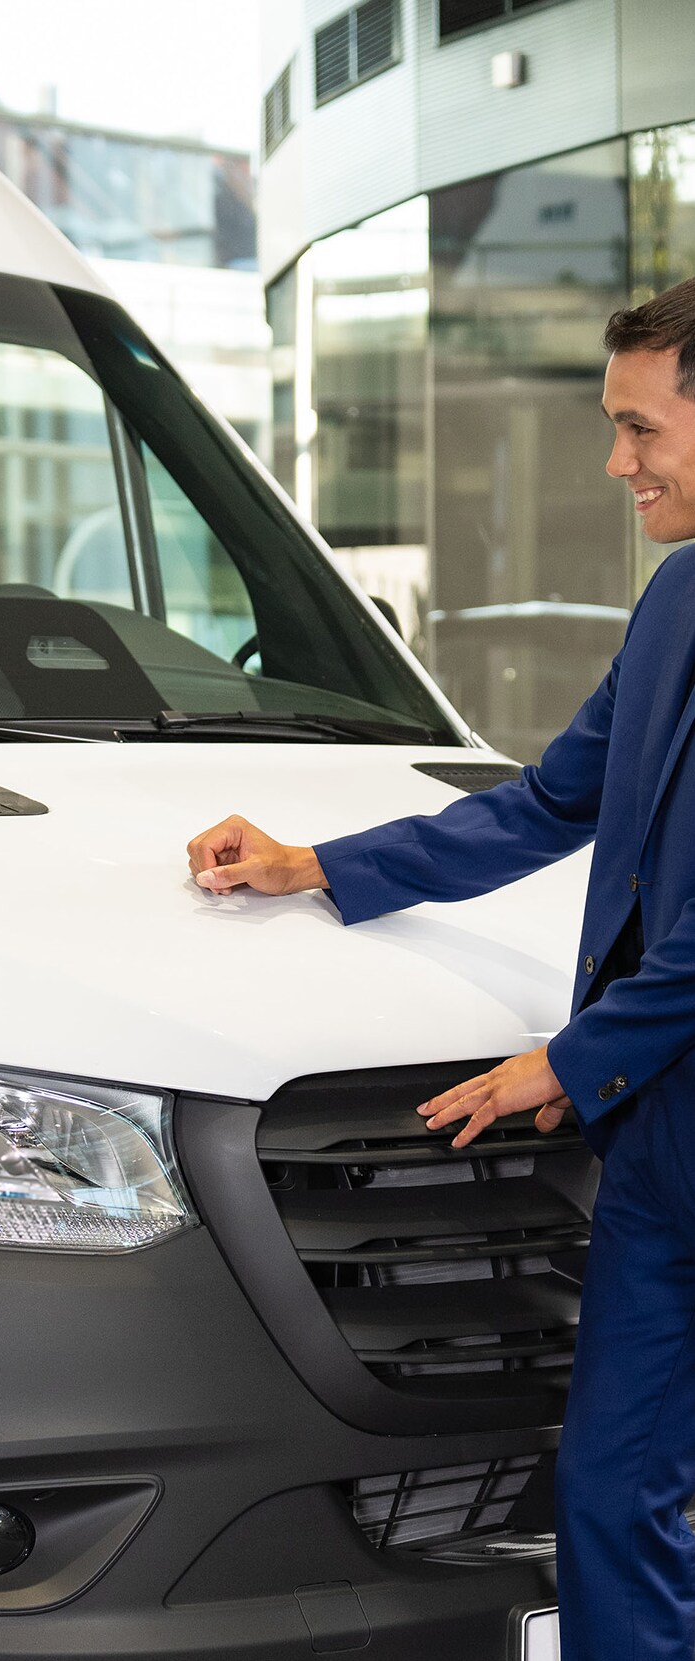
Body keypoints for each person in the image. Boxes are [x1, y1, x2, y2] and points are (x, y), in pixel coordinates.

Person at [186, 275, 695, 1661]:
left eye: (638, 429)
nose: (615, 463)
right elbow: (540, 802)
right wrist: (317, 864)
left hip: (638, 1091)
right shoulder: (671, 608)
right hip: (657, 1145)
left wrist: (561, 1059)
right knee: (608, 1497)